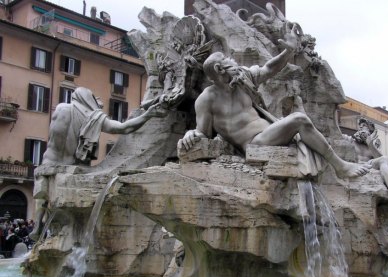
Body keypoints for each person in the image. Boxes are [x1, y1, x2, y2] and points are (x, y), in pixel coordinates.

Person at [178, 25, 370, 179]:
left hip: (270, 131)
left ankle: (339, 165)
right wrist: (190, 134)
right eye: (228, 59)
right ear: (220, 69)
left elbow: (269, 69)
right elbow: (202, 133)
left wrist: (288, 52)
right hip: (255, 144)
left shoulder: (243, 79)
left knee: (299, 121)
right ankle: (340, 166)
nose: (233, 61)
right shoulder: (207, 99)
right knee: (299, 119)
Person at [30, 87, 167, 241]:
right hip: (73, 167)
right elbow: (123, 127)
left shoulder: (61, 109)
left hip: (49, 163)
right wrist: (149, 114)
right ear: (88, 99)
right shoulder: (92, 117)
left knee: (43, 196)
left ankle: (38, 226)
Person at [345, 118, 388, 209]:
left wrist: (370, 144)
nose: (360, 128)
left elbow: (383, 160)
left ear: (370, 131)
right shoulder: (351, 140)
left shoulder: (371, 146)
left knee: (384, 159)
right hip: (355, 166)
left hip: (368, 165)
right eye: (359, 127)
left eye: (364, 126)